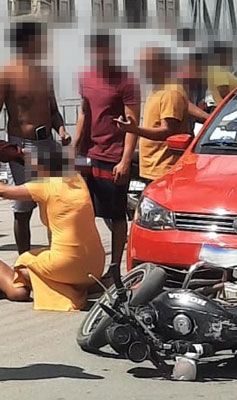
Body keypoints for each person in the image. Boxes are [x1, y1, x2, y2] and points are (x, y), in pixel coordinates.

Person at [0, 141, 105, 311]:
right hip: (96, 265)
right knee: (43, 254)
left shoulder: (44, 185)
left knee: (23, 264)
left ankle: (68, 290)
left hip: (67, 265)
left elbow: (4, 191)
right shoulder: (77, 180)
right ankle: (80, 285)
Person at [0, 22, 71, 255]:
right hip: (23, 147)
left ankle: (58, 255)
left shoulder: (45, 72)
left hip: (49, 143)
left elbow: (53, 110)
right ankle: (24, 263)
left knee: (58, 203)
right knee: (24, 207)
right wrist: (6, 149)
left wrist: (62, 130)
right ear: (27, 42)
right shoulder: (6, 73)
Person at [73, 33, 140, 271]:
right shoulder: (85, 76)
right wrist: (74, 146)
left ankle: (115, 266)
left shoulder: (126, 80)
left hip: (113, 154)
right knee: (84, 210)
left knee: (115, 214)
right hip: (87, 154)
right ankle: (89, 263)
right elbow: (84, 112)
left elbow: (132, 124)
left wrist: (124, 161)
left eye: (105, 50)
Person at [115, 47, 190, 182]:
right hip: (152, 168)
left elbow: (167, 132)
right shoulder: (158, 89)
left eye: (147, 65)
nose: (143, 70)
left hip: (163, 170)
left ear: (161, 65)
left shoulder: (171, 93)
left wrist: (135, 130)